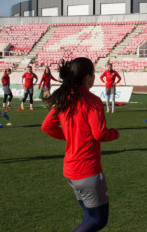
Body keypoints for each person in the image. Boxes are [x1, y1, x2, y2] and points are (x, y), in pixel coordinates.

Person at [42, 57, 119, 231]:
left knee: (90, 216)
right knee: (98, 220)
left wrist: (70, 136)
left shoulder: (65, 98)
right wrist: (115, 133)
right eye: (93, 73)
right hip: (87, 171)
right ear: (87, 77)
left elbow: (47, 126)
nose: (94, 76)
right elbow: (99, 133)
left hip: (70, 171)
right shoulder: (91, 101)